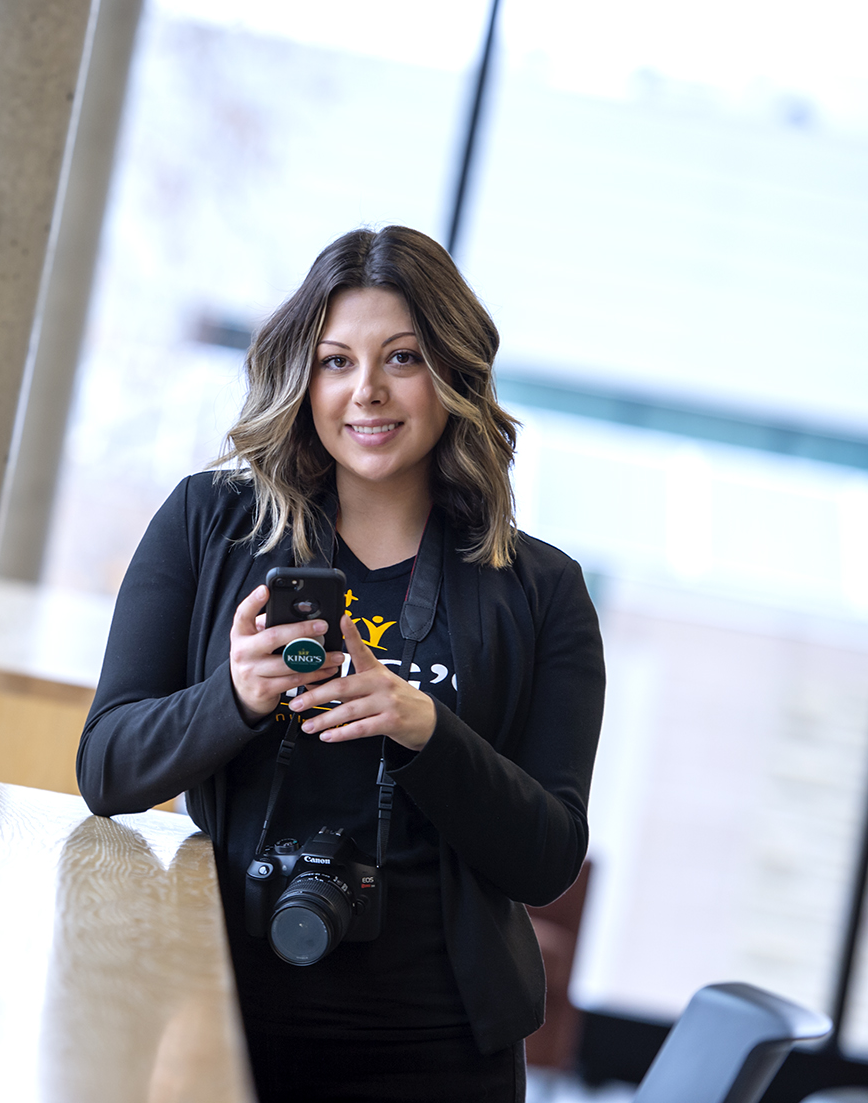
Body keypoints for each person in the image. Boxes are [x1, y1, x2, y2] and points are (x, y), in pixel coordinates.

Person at [76, 226, 605, 1103]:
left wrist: (423, 727)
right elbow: (108, 768)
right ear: (304, 377)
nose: (367, 392)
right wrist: (237, 696)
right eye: (335, 361)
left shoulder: (541, 591)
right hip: (216, 1010)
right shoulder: (211, 525)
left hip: (437, 1047)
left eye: (402, 358)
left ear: (452, 375)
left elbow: (548, 858)